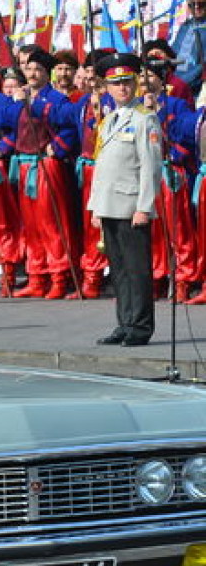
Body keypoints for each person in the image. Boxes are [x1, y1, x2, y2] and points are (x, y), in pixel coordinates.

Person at [90, 54, 162, 347]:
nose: (123, 88)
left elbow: (151, 167)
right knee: (118, 270)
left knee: (137, 270)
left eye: (127, 82)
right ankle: (125, 322)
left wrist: (144, 207)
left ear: (135, 84)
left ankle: (140, 326)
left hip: (131, 205)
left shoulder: (145, 119)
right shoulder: (109, 119)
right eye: (116, 84)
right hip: (109, 205)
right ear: (106, 87)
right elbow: (102, 165)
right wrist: (95, 206)